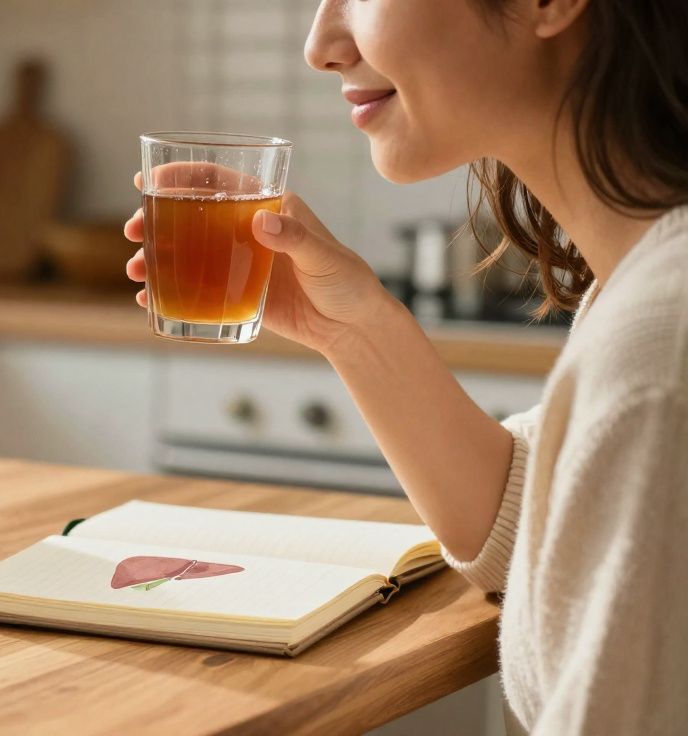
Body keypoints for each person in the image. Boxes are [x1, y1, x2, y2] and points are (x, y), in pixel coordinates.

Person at [124, 1, 687, 733]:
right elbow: (548, 542)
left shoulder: (661, 359)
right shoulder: (647, 290)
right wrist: (354, 330)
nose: (320, 45)